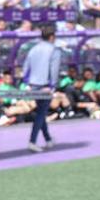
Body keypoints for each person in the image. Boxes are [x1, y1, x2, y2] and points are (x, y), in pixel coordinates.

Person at [19, 24, 62, 152]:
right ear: (52, 37)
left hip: (33, 84)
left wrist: (27, 83)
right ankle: (32, 141)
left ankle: (48, 139)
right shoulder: (54, 50)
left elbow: (26, 67)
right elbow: (54, 70)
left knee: (41, 112)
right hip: (45, 86)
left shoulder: (33, 49)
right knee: (41, 113)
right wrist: (52, 86)